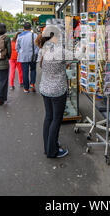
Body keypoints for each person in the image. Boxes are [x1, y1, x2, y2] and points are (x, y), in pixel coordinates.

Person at [37, 27, 84, 158]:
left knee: (48, 118)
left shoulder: (43, 49)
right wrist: (83, 47)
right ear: (55, 37)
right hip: (57, 90)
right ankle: (53, 151)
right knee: (56, 120)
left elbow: (49, 65)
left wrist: (63, 65)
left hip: (45, 88)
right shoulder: (59, 51)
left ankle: (48, 146)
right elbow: (77, 57)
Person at [16, 22, 39, 93]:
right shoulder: (35, 35)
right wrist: (35, 52)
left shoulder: (19, 36)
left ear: (23, 28)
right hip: (32, 56)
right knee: (33, 70)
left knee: (25, 72)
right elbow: (37, 46)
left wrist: (21, 52)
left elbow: (17, 47)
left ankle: (26, 88)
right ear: (30, 28)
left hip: (23, 57)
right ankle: (32, 83)